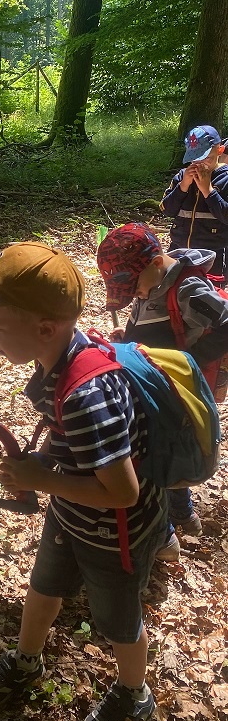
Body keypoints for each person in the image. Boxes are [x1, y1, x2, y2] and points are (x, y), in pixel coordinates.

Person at [0, 242, 166, 721]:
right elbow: (71, 445)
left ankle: (134, 691)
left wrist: (39, 480)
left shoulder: (87, 394)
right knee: (45, 586)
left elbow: (122, 492)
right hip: (72, 515)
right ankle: (27, 658)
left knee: (117, 620)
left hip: (115, 535)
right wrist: (44, 467)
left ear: (44, 328)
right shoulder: (57, 363)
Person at [96, 222, 228, 559]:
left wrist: (188, 361)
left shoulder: (187, 290)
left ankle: (166, 532)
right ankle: (183, 513)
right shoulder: (149, 281)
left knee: (155, 456)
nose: (133, 297)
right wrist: (125, 343)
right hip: (153, 387)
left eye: (134, 289)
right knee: (160, 450)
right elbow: (147, 326)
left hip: (176, 391)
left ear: (156, 262)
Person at [161, 125, 228, 282]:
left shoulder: (225, 179)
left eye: (206, 158)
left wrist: (208, 191)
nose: (200, 164)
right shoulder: (182, 177)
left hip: (214, 258)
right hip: (180, 252)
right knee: (175, 297)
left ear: (220, 151)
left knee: (208, 302)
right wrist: (183, 186)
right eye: (195, 158)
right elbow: (167, 210)